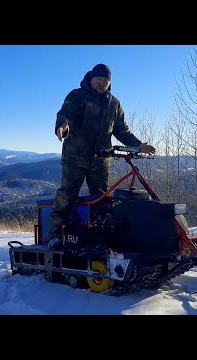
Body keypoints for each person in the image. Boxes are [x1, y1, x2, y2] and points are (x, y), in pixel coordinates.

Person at [47, 63, 156, 250]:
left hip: (100, 160)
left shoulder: (114, 104)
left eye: (105, 80)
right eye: (98, 79)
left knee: (102, 201)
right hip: (76, 157)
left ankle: (100, 238)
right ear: (91, 79)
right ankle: (56, 236)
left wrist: (139, 146)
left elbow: (122, 130)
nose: (101, 83)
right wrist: (62, 126)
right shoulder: (77, 96)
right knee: (66, 195)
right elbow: (66, 115)